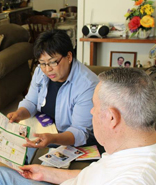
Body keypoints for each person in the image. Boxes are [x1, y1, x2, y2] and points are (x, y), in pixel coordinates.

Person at [0, 68, 156, 185]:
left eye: (95, 106)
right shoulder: (133, 148)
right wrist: (44, 172)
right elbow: (93, 177)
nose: (91, 111)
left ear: (112, 117)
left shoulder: (134, 179)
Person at [7, 29, 99, 162]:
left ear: (69, 56)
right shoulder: (40, 71)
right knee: (13, 149)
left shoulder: (87, 85)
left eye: (53, 62)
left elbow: (79, 132)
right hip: (44, 129)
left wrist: (53, 138)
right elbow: (31, 102)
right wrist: (19, 113)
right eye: (42, 63)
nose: (47, 69)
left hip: (69, 138)